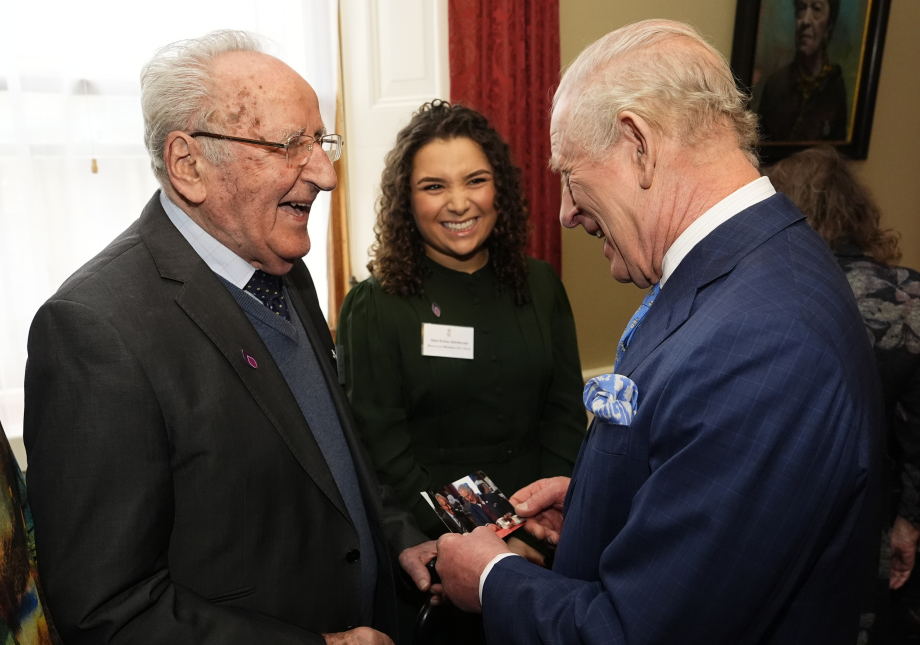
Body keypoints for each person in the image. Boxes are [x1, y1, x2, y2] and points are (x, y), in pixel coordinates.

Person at [435, 19, 884, 644]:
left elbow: (638, 634)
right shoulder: (748, 269)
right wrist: (608, 505)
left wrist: (491, 578)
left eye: (569, 173)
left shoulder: (761, 340)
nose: (565, 212)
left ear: (638, 144)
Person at [23, 30, 439, 645]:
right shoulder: (94, 330)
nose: (324, 173)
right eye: (289, 145)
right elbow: (109, 611)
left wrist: (400, 539)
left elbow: (327, 457)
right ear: (189, 165)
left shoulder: (283, 266)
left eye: (320, 141)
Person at [336, 100, 587, 539]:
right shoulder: (374, 307)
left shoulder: (541, 284)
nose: (458, 203)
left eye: (475, 181)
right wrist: (481, 541)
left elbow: (564, 416)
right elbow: (384, 456)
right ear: (406, 200)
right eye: (434, 186)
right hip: (440, 540)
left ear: (499, 189)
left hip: (549, 524)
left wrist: (547, 514)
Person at [766, 145, 920, 641]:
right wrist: (909, 524)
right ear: (857, 210)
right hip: (877, 515)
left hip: (784, 517)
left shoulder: (779, 294)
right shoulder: (910, 297)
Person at [758, 0, 848, 142]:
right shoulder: (775, 85)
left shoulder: (835, 86)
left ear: (829, 27)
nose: (805, 21)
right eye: (801, 9)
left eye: (816, 9)